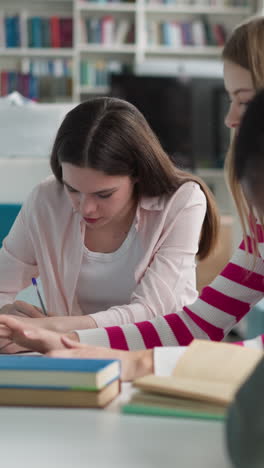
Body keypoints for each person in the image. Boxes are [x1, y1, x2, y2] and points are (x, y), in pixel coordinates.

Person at [1, 16, 264, 376]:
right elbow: (196, 326)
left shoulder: (184, 200)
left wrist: (59, 332)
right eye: (74, 190)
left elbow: (245, 353)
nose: (230, 119)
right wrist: (59, 340)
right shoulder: (259, 238)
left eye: (245, 102)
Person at [0, 97, 219, 353]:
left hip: (157, 359)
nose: (86, 208)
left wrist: (54, 328)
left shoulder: (182, 201)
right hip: (69, 358)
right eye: (73, 189)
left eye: (103, 194)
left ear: (138, 174)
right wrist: (10, 322)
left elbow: (151, 313)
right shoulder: (47, 198)